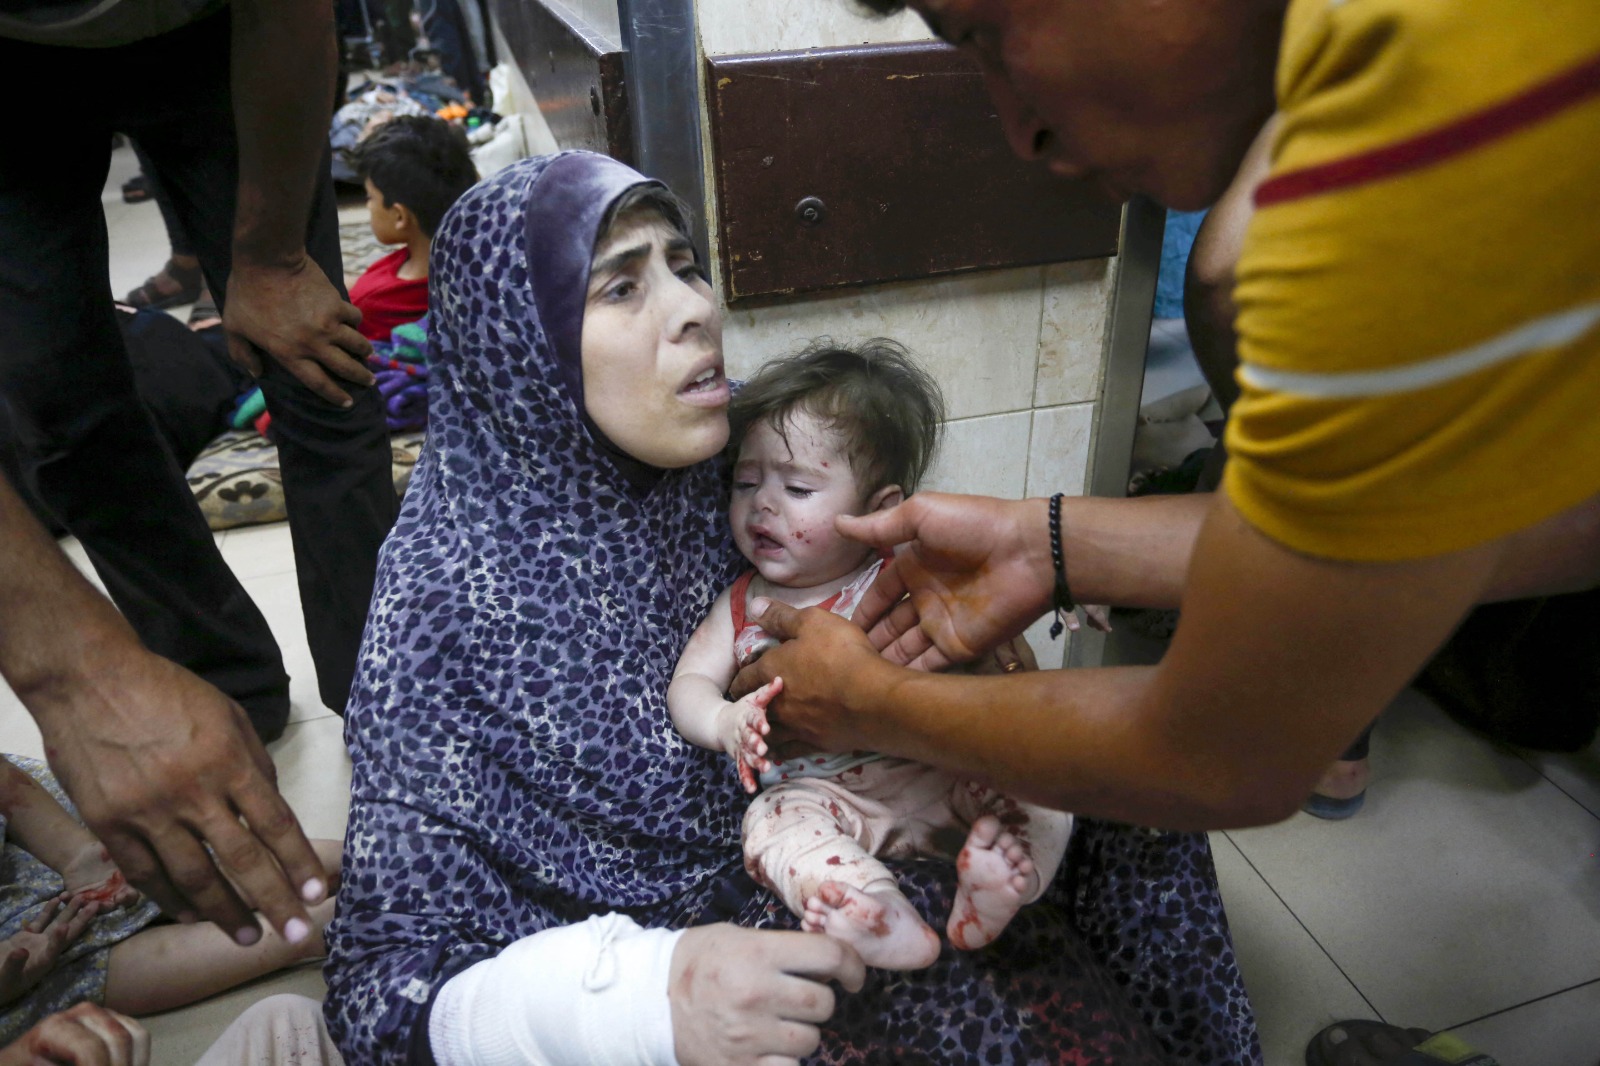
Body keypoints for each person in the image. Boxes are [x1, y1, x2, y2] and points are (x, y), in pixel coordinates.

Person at [739, 0, 1597, 1061]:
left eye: (988, 31)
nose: (1017, 129)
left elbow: (1223, 750)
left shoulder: (1394, 137)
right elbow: (1481, 521)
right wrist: (1052, 544)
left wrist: (878, 703)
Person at [326, 150, 1257, 1064]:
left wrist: (975, 661)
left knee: (1122, 793)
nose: (697, 308)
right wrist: (645, 993)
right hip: (719, 915)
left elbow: (874, 561)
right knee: (930, 979)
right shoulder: (442, 601)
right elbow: (379, 990)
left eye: (685, 267)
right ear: (516, 343)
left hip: (893, 784)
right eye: (620, 289)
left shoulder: (715, 465)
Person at [0, 0, 400, 733]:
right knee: (52, 397)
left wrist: (272, 260)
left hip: (218, 32)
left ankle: (391, 682)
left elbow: (290, 14)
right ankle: (222, 684)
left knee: (311, 357)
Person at [670, 340, 1072, 971]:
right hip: (820, 793)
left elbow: (997, 601)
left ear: (881, 511)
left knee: (1045, 778)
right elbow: (689, 684)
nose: (762, 504)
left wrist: (1064, 591)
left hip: (937, 765)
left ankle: (1004, 880)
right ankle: (878, 913)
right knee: (770, 827)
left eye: (798, 487)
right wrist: (724, 722)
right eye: (745, 482)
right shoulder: (744, 602)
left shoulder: (910, 573)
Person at [0, 758, 339, 1043]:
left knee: (152, 859)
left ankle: (358, 857)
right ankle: (311, 928)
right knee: (47, 975)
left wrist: (74, 852)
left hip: (27, 833)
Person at [349, 115, 478, 343]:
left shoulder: (371, 305)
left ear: (400, 216)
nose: (368, 205)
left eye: (370, 197)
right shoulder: (476, 274)